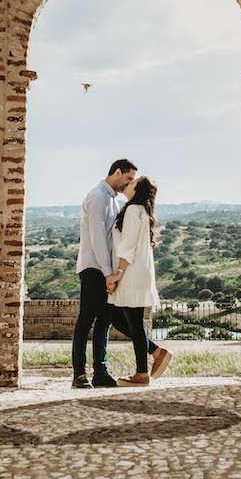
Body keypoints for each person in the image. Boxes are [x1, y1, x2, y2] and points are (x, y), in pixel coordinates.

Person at [70, 160, 171, 388]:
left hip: (110, 271)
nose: (129, 183)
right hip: (95, 267)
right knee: (86, 321)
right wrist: (109, 273)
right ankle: (79, 374)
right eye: (128, 178)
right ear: (117, 172)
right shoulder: (98, 197)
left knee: (106, 321)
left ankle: (101, 372)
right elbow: (97, 239)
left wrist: (115, 273)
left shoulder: (117, 202)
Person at [107, 176, 169, 386]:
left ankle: (142, 373)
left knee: (132, 321)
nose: (128, 183)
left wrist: (118, 273)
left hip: (130, 272)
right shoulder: (141, 211)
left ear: (137, 190)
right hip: (136, 272)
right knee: (123, 320)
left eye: (133, 182)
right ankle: (156, 352)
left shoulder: (133, 210)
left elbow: (128, 245)